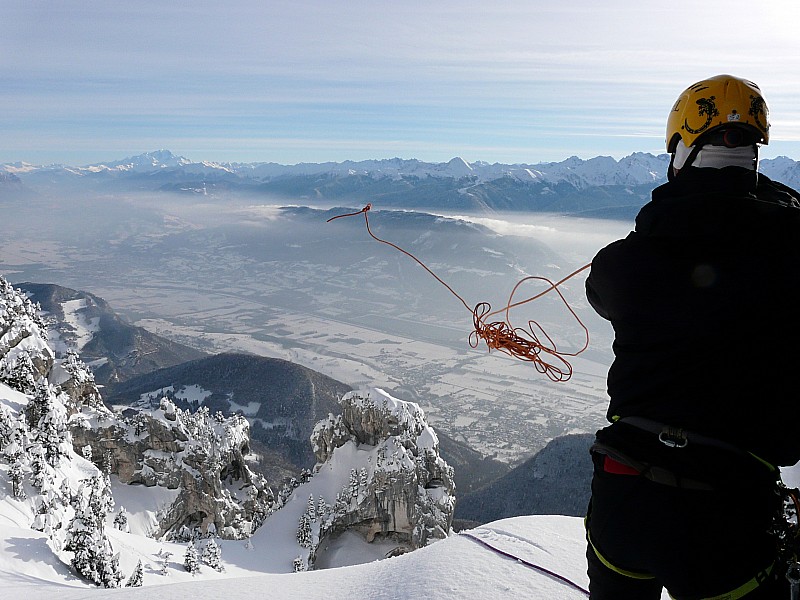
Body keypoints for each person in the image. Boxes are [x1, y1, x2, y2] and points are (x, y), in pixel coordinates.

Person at [584, 74, 800, 599]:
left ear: (680, 150)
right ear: (756, 155)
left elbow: (602, 291)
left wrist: (667, 216)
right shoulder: (790, 253)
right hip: (725, 516)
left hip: (623, 497)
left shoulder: (628, 262)